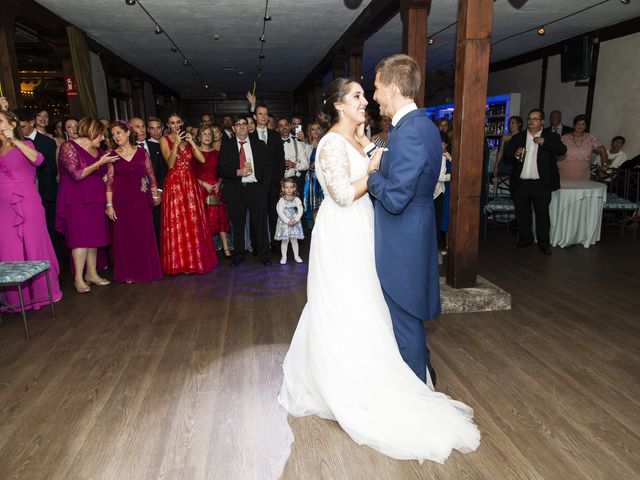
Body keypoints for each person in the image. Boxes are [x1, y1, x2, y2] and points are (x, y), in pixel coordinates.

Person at [278, 76, 480, 463]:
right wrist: (372, 173)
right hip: (342, 234)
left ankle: (389, 370)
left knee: (373, 303)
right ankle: (348, 382)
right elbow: (338, 194)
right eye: (356, 96)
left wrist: (379, 163)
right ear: (338, 105)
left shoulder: (363, 138)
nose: (365, 101)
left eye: (365, 94)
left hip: (368, 230)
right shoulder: (331, 143)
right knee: (348, 303)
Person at [0, 110, 62, 310]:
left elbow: (39, 161)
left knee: (34, 246)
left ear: (11, 123)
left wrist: (14, 141)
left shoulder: (26, 144)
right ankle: (18, 300)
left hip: (27, 203)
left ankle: (44, 293)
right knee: (10, 250)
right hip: (3, 208)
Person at [56, 117, 115, 292]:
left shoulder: (98, 150)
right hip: (75, 198)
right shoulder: (68, 146)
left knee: (93, 237)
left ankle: (92, 273)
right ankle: (78, 279)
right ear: (92, 132)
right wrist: (99, 163)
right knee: (80, 239)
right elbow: (76, 174)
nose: (103, 139)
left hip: (95, 197)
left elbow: (103, 174)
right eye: (101, 135)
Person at [159, 113, 217, 274]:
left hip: (190, 184)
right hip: (174, 184)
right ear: (168, 125)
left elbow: (202, 160)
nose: (176, 125)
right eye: (172, 123)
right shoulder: (165, 140)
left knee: (192, 221)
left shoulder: (189, 140)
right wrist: (176, 144)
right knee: (177, 221)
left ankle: (193, 261)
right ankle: (179, 263)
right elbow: (170, 164)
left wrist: (191, 141)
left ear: (182, 123)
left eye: (178, 122)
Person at [503, 109, 567, 254]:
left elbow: (562, 150)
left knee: (542, 215)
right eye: (530, 119)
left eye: (536, 119)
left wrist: (544, 142)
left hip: (541, 183)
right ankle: (525, 240)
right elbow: (506, 156)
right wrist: (514, 153)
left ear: (542, 122)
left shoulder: (551, 136)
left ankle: (544, 244)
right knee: (522, 214)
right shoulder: (519, 137)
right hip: (521, 183)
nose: (531, 122)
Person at [105, 120, 162, 283]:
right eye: (113, 134)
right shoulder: (112, 156)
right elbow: (109, 183)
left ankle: (146, 270)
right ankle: (128, 273)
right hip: (121, 201)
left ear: (128, 133)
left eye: (119, 132)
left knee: (143, 235)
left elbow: (151, 176)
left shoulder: (142, 152)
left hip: (141, 199)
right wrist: (109, 205)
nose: (116, 136)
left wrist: (155, 194)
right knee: (125, 237)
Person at [217, 115, 271, 266]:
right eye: (238, 124)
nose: (241, 126)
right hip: (235, 189)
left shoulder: (259, 144)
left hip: (256, 189)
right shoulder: (226, 145)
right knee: (238, 225)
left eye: (244, 124)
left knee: (260, 225)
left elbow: (268, 167)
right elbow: (221, 168)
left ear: (248, 127)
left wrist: (264, 189)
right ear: (233, 128)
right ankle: (238, 255)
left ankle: (264, 255)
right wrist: (237, 172)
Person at [193, 125, 231, 258]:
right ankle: (206, 250)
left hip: (215, 189)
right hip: (200, 189)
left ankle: (226, 248)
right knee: (204, 220)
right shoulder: (194, 153)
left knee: (220, 218)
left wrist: (219, 183)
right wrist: (204, 184)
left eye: (210, 134)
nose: (208, 136)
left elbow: (221, 172)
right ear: (198, 137)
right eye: (204, 134)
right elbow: (190, 174)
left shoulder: (216, 153)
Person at [558, 114, 607, 181]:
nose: (580, 126)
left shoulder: (590, 138)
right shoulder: (564, 138)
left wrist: (604, 165)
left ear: (586, 126)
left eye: (583, 124)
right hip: (564, 173)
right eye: (578, 124)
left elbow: (602, 149)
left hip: (583, 174)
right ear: (573, 125)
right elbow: (554, 153)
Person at [275, 178, 304, 264]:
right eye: (286, 187)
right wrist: (287, 221)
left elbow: (300, 209)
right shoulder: (282, 200)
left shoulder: (297, 199)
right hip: (285, 224)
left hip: (294, 222)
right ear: (283, 189)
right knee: (285, 240)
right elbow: (279, 212)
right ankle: (284, 257)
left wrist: (296, 219)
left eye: (291, 187)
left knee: (294, 239)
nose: (289, 189)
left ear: (294, 188)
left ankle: (296, 256)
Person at [302, 122, 324, 229]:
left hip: (322, 177)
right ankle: (311, 230)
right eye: (312, 129)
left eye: (318, 129)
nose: (315, 131)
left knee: (322, 202)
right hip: (310, 178)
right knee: (310, 202)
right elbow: (303, 162)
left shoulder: (324, 143)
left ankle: (322, 228)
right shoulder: (305, 144)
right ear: (309, 131)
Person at [434, 132, 451, 251]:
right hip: (435, 191)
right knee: (437, 220)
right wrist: (452, 176)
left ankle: (438, 247)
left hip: (439, 191)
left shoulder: (445, 156)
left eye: (441, 143)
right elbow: (440, 177)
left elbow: (439, 177)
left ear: (446, 144)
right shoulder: (439, 155)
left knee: (439, 220)